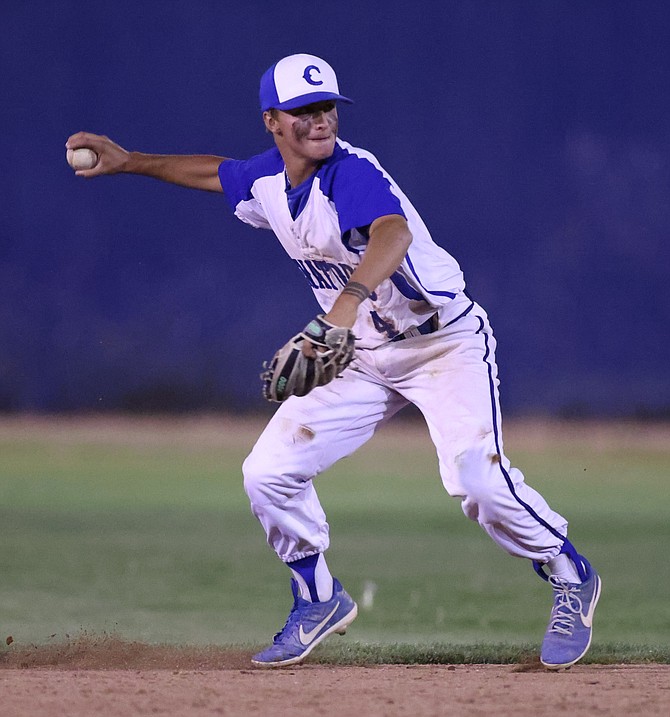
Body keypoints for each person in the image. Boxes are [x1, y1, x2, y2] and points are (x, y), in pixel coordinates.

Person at [66, 52, 601, 670]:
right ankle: (317, 596)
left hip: (442, 345)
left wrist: (344, 305)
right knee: (266, 472)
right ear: (272, 120)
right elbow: (220, 172)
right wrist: (131, 161)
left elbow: (391, 233)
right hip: (361, 353)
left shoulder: (351, 173)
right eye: (302, 111)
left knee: (476, 482)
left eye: (326, 108)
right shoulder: (270, 180)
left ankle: (568, 571)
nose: (320, 121)